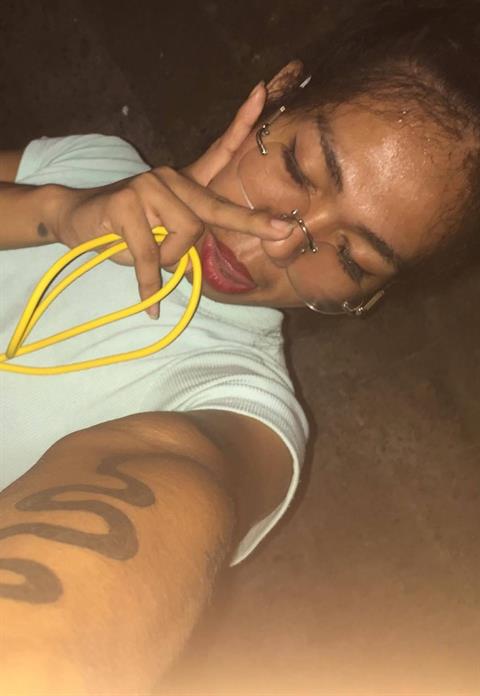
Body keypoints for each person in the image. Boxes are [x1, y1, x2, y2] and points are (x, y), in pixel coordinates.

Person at [1, 1, 480, 693]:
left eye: (351, 258)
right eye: (298, 167)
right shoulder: (90, 162)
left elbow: (181, 482)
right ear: (279, 93)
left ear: (368, 298)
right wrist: (52, 210)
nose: (278, 242)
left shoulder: (242, 409)